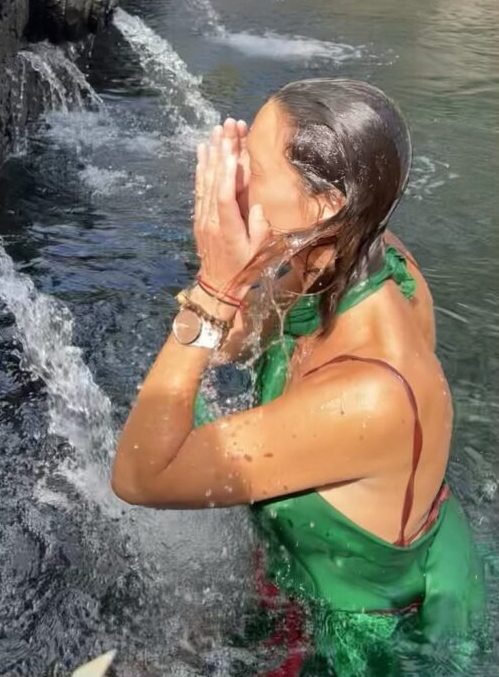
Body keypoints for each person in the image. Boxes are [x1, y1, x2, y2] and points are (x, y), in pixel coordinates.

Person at [112, 79, 485, 675]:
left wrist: (215, 287)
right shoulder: (352, 252)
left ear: (323, 205)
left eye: (252, 165)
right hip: (336, 560)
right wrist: (235, 256)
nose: (234, 175)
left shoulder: (367, 395)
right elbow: (233, 345)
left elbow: (138, 474)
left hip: (355, 640)